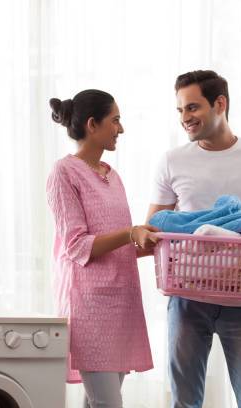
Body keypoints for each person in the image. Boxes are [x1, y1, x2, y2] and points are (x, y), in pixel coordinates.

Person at [146, 70, 241, 408]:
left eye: (192, 108)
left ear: (220, 104)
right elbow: (153, 227)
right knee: (184, 402)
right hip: (187, 299)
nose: (185, 118)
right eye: (181, 111)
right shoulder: (172, 161)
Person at [46, 89, 159, 408]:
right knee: (108, 404)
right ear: (93, 125)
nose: (120, 129)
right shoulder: (64, 173)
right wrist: (129, 233)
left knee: (99, 402)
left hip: (121, 307)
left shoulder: (114, 176)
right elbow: (77, 246)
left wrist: (148, 243)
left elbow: (117, 245)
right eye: (116, 120)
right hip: (90, 310)